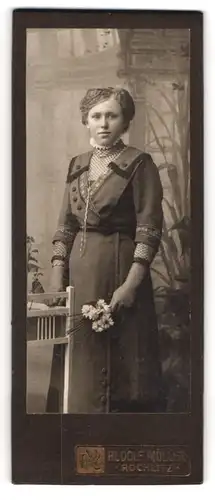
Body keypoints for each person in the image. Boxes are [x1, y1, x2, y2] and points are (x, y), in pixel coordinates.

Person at [46, 87, 165, 413]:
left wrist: (131, 284)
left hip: (120, 273)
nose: (103, 123)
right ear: (86, 120)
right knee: (79, 368)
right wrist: (58, 272)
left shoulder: (140, 164)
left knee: (119, 369)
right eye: (96, 116)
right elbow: (65, 226)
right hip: (78, 277)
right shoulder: (77, 164)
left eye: (112, 115)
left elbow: (149, 231)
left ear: (125, 120)